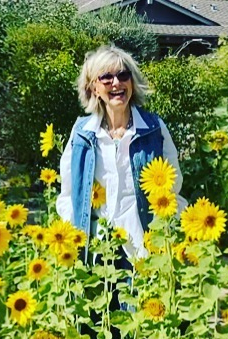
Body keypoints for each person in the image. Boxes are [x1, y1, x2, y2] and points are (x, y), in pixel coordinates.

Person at [56, 45, 187, 262]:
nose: (116, 83)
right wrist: (76, 233)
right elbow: (69, 194)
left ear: (132, 83)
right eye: (106, 78)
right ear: (94, 88)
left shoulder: (154, 129)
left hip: (142, 249)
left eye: (123, 75)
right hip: (98, 250)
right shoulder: (82, 134)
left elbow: (173, 186)